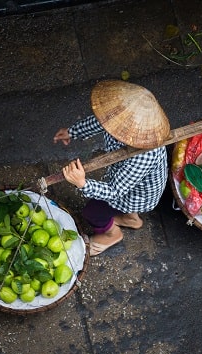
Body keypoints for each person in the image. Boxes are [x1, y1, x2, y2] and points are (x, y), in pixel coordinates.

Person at [53, 80, 170, 256]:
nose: (111, 125)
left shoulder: (144, 155)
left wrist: (83, 184)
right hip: (129, 181)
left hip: (137, 194)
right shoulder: (118, 122)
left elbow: (115, 191)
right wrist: (73, 131)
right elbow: (99, 122)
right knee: (121, 204)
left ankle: (111, 234)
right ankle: (132, 219)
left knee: (92, 212)